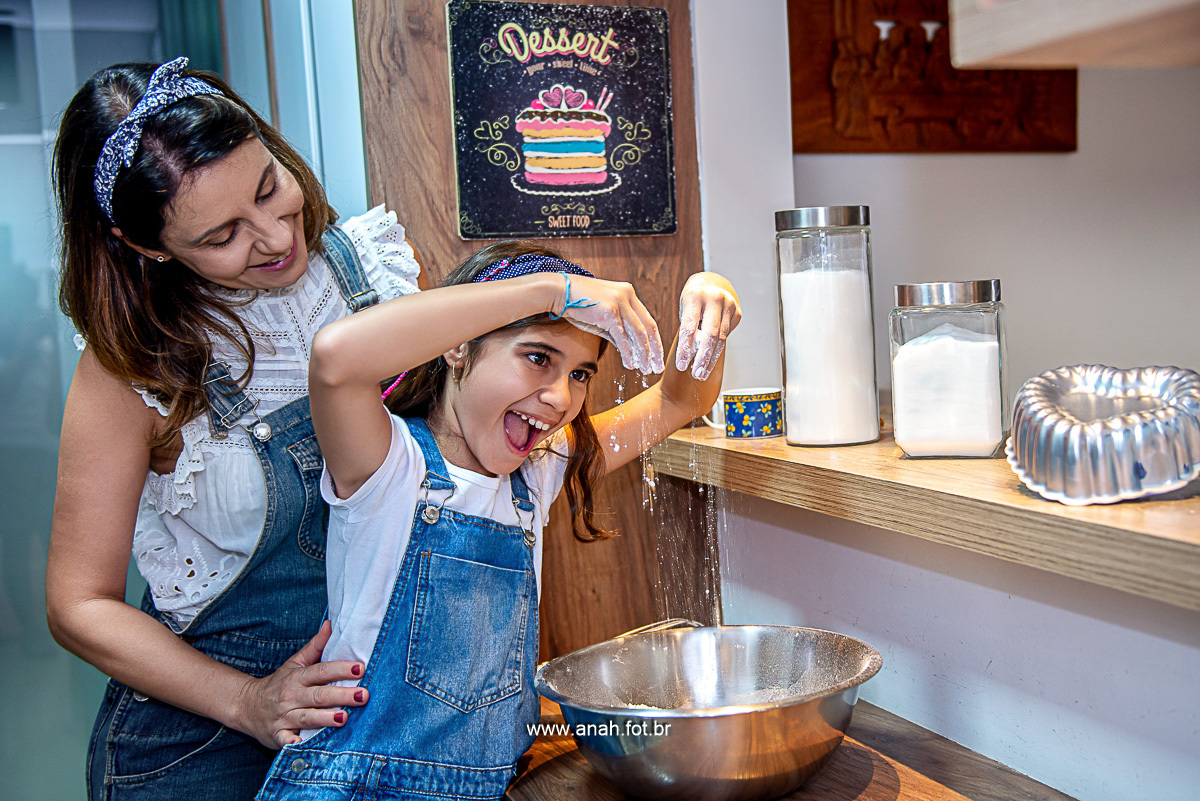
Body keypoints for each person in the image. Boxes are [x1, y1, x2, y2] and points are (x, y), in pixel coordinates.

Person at [45, 58, 423, 800]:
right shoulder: (133, 365)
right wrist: (248, 702)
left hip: (376, 711)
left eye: (268, 186)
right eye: (223, 234)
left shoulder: (373, 271)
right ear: (149, 246)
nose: (276, 235)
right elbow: (76, 603)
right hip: (200, 743)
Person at [254, 242, 741, 800]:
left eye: (580, 373)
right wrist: (553, 291)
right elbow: (336, 357)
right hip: (356, 786)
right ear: (457, 347)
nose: (560, 397)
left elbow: (683, 398)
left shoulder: (538, 475)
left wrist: (709, 298)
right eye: (538, 358)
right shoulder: (388, 466)